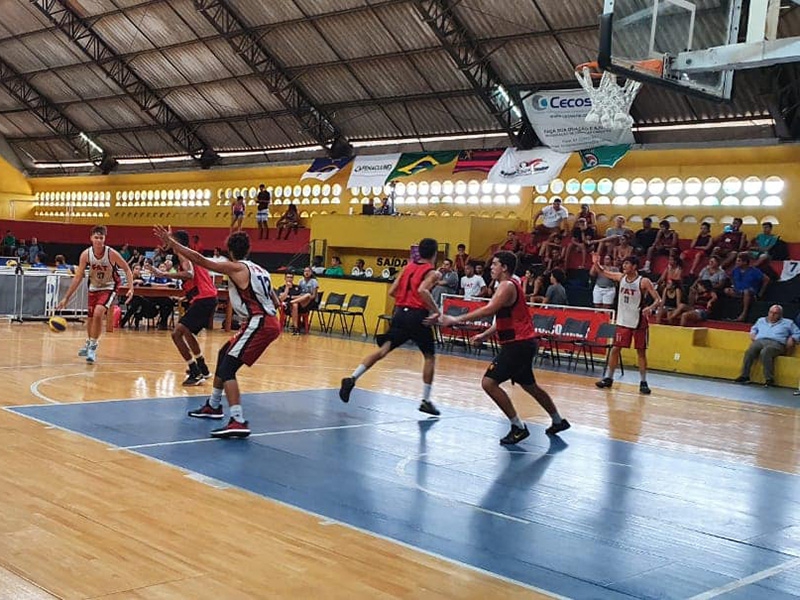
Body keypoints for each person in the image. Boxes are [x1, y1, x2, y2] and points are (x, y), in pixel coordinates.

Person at [155, 226, 281, 439]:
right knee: (224, 354)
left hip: (258, 322)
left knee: (228, 368)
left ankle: (238, 420)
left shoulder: (236, 268)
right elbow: (275, 300)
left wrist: (173, 243)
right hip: (265, 320)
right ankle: (213, 405)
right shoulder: (261, 270)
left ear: (229, 251)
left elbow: (199, 259)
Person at [439, 251, 570, 444]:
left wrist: (456, 318)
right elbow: (501, 319)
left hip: (518, 345)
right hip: (523, 343)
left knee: (489, 383)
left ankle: (518, 427)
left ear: (505, 267)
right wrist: (484, 335)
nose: (491, 268)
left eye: (494, 264)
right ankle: (558, 421)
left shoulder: (507, 286)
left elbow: (489, 309)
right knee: (530, 386)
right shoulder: (508, 286)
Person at [339, 237, 442, 416]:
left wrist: (405, 302)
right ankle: (425, 400)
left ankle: (352, 378)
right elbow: (422, 291)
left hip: (400, 314)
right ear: (435, 253)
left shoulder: (407, 267)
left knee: (382, 351)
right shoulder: (432, 272)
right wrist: (436, 311)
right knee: (429, 357)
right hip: (418, 316)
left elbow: (392, 291)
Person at [56, 225, 134, 363]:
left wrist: (131, 288)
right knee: (91, 318)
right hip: (93, 287)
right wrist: (66, 298)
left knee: (98, 313)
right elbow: (78, 277)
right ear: (91, 238)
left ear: (105, 239)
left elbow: (127, 269)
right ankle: (89, 341)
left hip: (109, 286)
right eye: (96, 237)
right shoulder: (86, 254)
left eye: (101, 238)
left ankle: (93, 345)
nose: (98, 240)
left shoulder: (111, 253)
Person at [151, 230, 219, 386]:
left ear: (177, 243)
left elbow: (189, 274)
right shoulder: (188, 254)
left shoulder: (184, 254)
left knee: (176, 334)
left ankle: (195, 372)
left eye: (170, 239)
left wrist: (164, 274)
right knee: (187, 333)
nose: (166, 241)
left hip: (204, 298)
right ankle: (203, 368)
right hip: (206, 298)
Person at [593, 255, 661, 394]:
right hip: (623, 321)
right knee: (615, 349)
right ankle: (609, 378)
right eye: (624, 263)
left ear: (635, 266)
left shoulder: (644, 281)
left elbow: (658, 300)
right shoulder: (620, 277)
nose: (624, 266)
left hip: (638, 322)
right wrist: (596, 263)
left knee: (640, 352)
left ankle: (643, 382)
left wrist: (650, 308)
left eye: (627, 264)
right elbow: (603, 272)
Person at [734, 305, 800, 387]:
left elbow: (798, 333)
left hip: (777, 343)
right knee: (750, 350)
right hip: (760, 340)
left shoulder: (788, 323)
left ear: (780, 314)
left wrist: (792, 338)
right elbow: (754, 328)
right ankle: (744, 376)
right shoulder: (761, 320)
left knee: (766, 351)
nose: (772, 315)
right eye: (771, 312)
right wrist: (753, 334)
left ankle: (769, 379)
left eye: (776, 313)